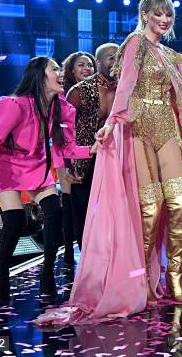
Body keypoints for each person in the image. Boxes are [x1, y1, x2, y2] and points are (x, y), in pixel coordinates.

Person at [35, 0, 182, 326]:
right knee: (150, 208)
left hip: (168, 130)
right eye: (158, 14)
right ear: (145, 13)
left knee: (179, 202)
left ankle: (173, 277)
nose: (164, 20)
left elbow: (179, 102)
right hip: (138, 131)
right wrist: (113, 123)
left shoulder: (169, 55)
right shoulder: (134, 43)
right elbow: (126, 86)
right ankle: (144, 280)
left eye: (169, 15)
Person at [0, 56, 94, 302]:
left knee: (54, 213)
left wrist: (92, 148)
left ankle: (47, 274)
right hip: (6, 167)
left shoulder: (62, 108)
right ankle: (1, 274)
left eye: (59, 69)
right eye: (54, 69)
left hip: (37, 165)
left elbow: (67, 147)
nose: (60, 73)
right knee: (14, 221)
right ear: (39, 75)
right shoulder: (14, 104)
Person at [65, 43, 119, 255]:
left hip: (116, 158)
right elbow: (65, 132)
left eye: (119, 58)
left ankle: (113, 259)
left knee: (115, 213)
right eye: (111, 58)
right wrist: (69, 164)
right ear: (98, 62)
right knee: (84, 213)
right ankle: (86, 259)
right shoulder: (79, 91)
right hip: (86, 159)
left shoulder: (126, 90)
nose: (116, 63)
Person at [58, 51, 97, 269]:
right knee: (72, 207)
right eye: (81, 65)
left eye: (90, 65)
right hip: (68, 158)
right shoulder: (65, 96)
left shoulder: (97, 92)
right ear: (71, 70)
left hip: (92, 154)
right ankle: (68, 251)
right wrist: (66, 164)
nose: (86, 69)